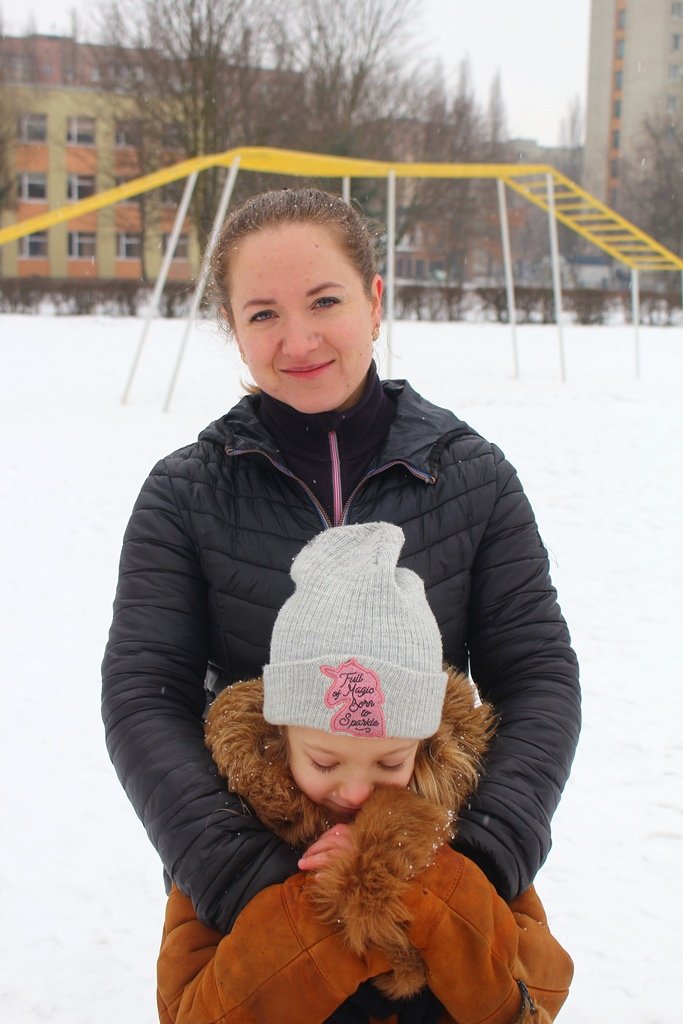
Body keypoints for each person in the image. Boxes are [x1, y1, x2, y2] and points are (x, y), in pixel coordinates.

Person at [102, 187, 581, 1021]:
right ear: (232, 326)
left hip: (430, 872)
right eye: (263, 314)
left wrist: (480, 858)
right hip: (251, 909)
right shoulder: (183, 494)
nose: (298, 340)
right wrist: (245, 879)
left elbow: (537, 675)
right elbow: (144, 695)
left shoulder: (473, 478)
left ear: (374, 300)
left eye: (324, 301)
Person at [157, 523, 573, 1024]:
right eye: (325, 762)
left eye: (390, 763)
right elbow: (188, 1011)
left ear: (422, 745)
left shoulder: (459, 811)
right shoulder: (235, 820)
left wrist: (418, 883)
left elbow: (538, 991)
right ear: (282, 733)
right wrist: (323, 910)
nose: (355, 792)